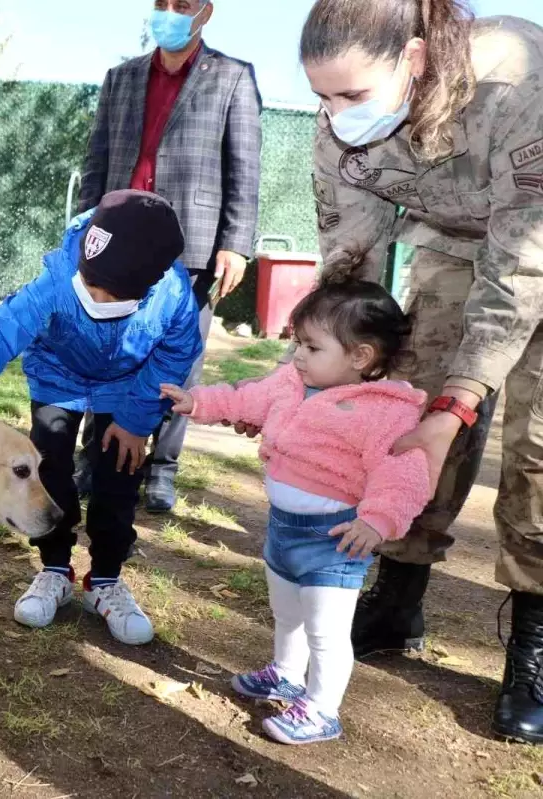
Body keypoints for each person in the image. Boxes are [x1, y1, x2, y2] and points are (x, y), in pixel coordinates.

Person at [295, 0, 543, 742]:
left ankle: (534, 637)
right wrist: (308, 372)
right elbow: (348, 257)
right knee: (407, 411)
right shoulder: (340, 116)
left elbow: (522, 268)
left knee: (537, 451)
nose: (335, 116)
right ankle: (398, 595)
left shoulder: (517, 84)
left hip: (534, 246)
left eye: (351, 96)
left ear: (412, 57)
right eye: (321, 97)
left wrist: (461, 404)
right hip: (455, 246)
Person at [0, 190, 201, 645]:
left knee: (118, 480)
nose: (94, 295)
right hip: (58, 380)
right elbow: (2, 332)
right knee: (50, 473)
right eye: (90, 282)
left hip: (127, 388)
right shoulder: (61, 277)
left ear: (151, 283)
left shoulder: (175, 295)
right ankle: (55, 571)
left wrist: (136, 420)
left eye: (108, 292)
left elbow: (176, 354)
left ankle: (104, 581)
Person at [162, 279, 431, 744]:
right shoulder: (291, 382)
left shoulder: (384, 413)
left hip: (334, 540)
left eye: (311, 346)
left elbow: (403, 475)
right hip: (283, 531)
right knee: (286, 613)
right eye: (296, 342)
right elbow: (246, 397)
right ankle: (286, 674)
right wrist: (199, 402)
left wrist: (378, 521)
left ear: (360, 357)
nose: (298, 355)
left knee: (327, 632)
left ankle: (323, 709)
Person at [74, 0, 262, 513]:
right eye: (163, 3)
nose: (170, 12)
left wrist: (236, 242)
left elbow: (245, 168)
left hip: (192, 243)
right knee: (107, 346)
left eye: (183, 4)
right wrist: (85, 225)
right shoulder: (121, 78)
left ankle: (162, 467)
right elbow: (98, 157)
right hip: (118, 235)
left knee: (181, 357)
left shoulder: (233, 77)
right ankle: (95, 456)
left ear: (206, 12)